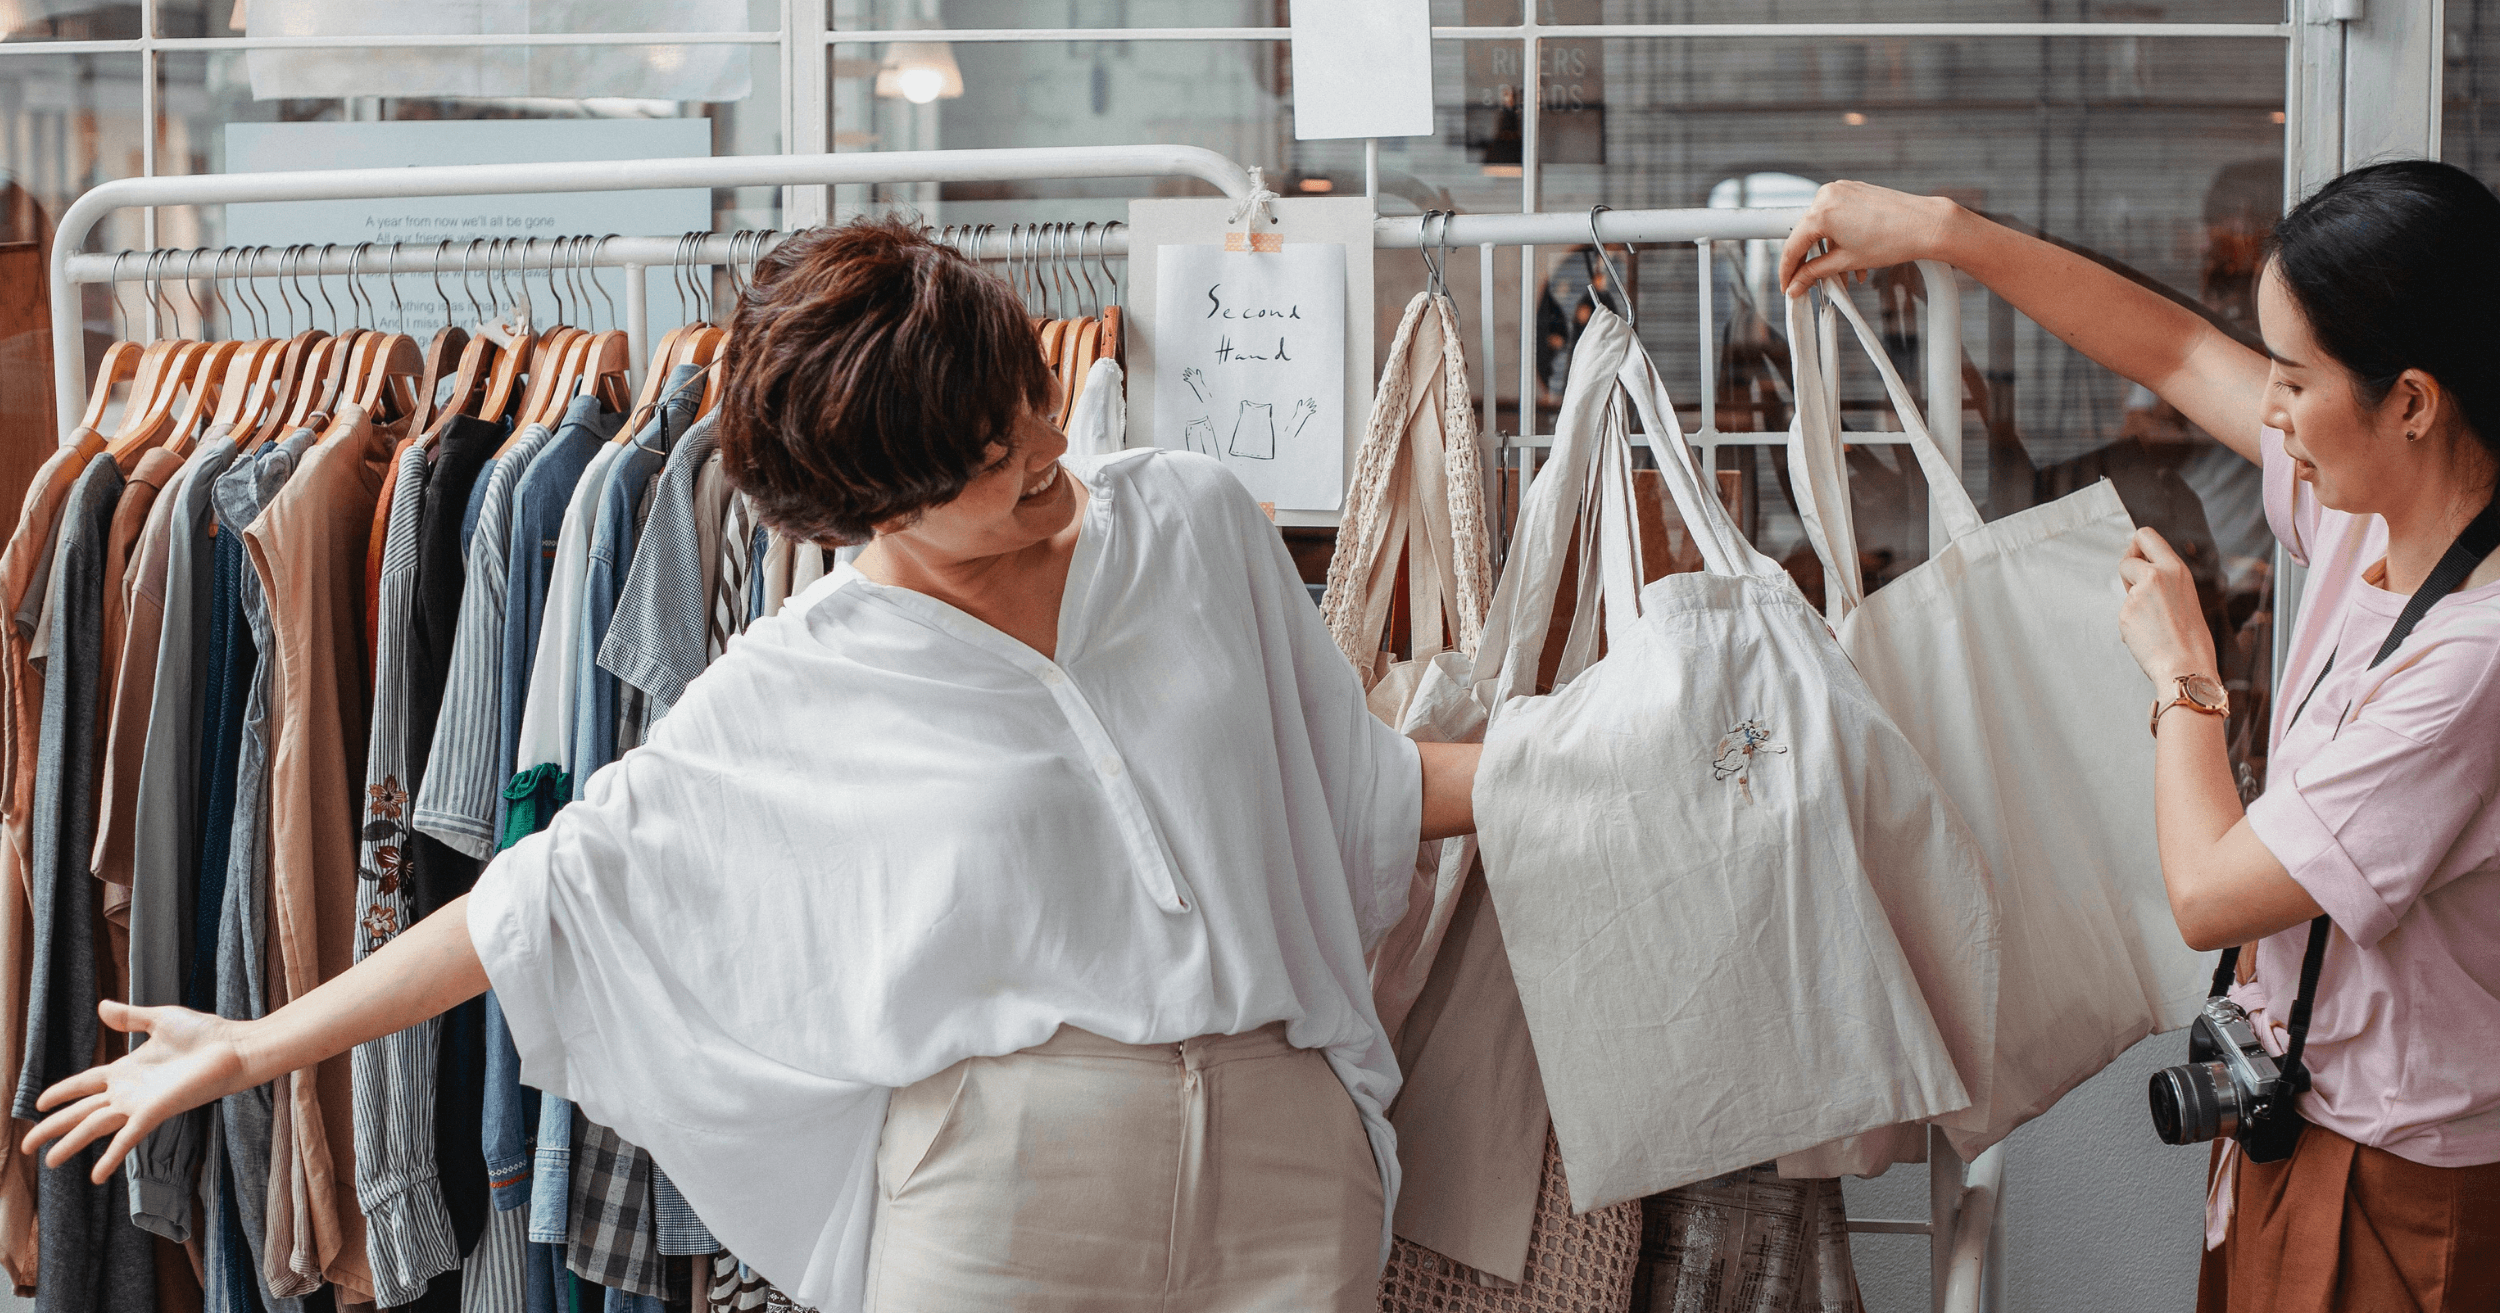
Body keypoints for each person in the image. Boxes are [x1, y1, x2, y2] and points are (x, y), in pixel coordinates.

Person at [19, 218, 1484, 1313]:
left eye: (1028, 391)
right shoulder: (799, 682)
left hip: (1292, 1182)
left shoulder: (1194, 524)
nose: (1042, 440)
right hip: (1009, 1200)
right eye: (982, 456)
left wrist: (1592, 768)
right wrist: (258, 1045)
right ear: (868, 510)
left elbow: (1346, 781)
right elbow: (546, 897)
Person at [1779, 160, 2500, 1311]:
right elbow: (2167, 347)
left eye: (2296, 379)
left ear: (2410, 401)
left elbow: (2212, 895)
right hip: (2295, 1124)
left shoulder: (2471, 659)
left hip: (2400, 1180)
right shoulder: (2362, 512)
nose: (2266, 411)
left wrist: (2183, 672)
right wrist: (1942, 231)